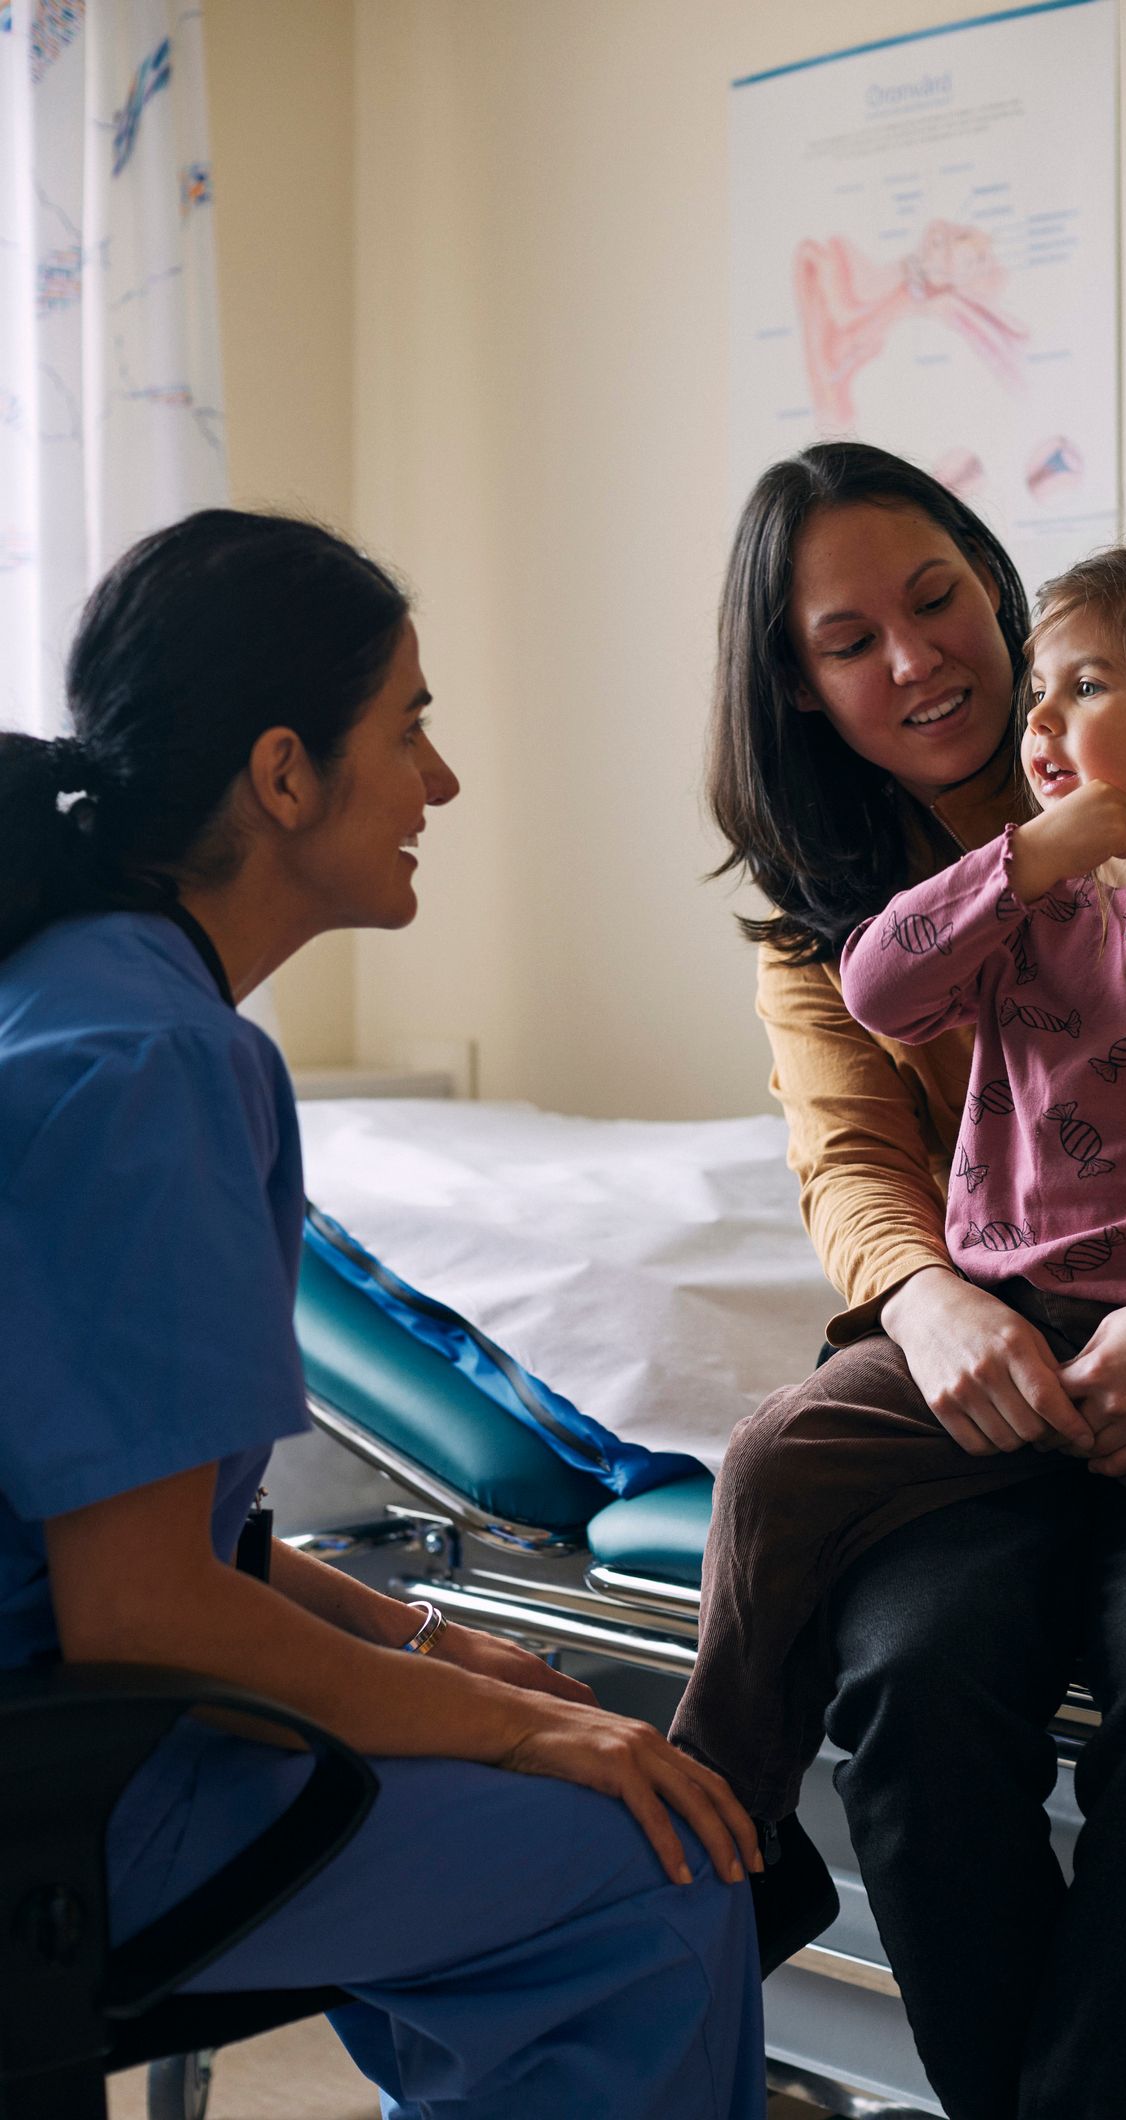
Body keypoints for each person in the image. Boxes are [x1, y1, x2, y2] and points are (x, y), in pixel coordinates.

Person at [670, 445, 1126, 2120]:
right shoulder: (856, 923)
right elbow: (852, 1157)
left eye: (935, 601)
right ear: (796, 686)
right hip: (975, 1360)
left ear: (996, 596)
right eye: (849, 639)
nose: (917, 656)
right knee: (919, 1676)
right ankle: (740, 1853)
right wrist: (933, 1311)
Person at [0, 510, 765, 2120]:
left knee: (552, 1795)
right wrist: (498, 1731)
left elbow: (135, 1520)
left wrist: (435, 1642)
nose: (443, 782)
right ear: (284, 776)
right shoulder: (155, 1066)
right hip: (63, 1794)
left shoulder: (70, 993)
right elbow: (145, 1610)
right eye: (409, 727)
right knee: (662, 1869)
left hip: (72, 1726)